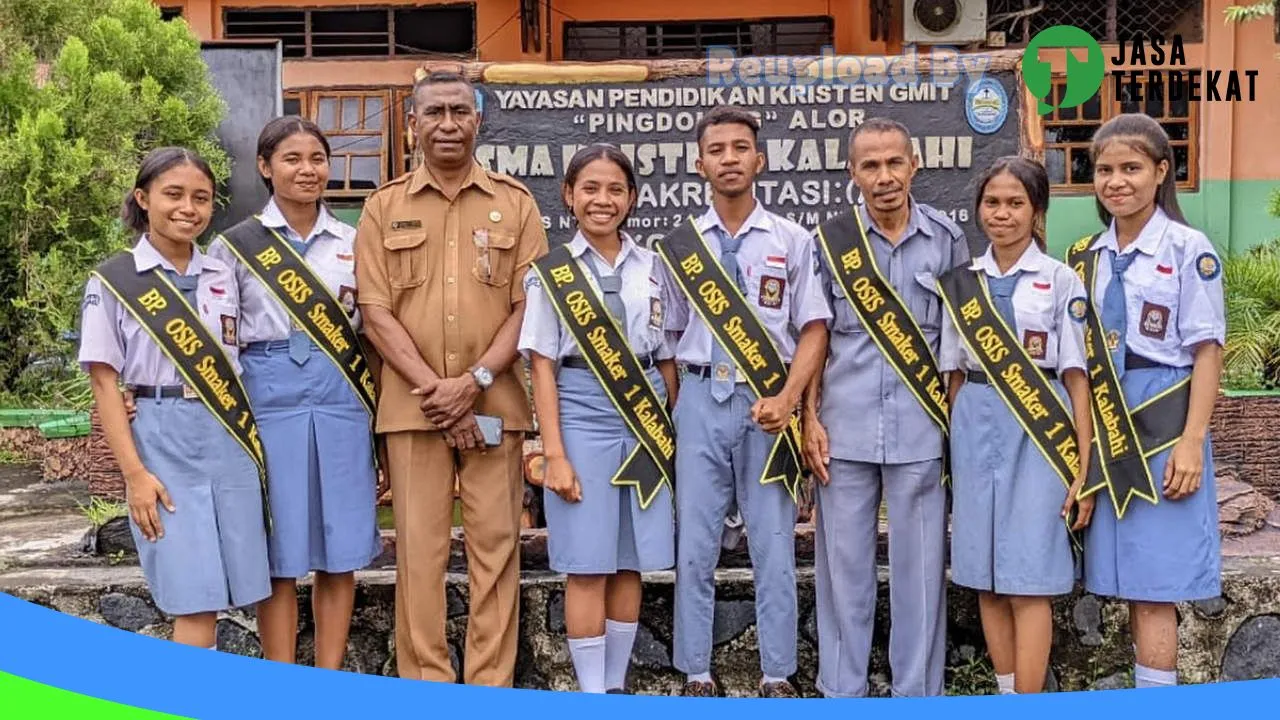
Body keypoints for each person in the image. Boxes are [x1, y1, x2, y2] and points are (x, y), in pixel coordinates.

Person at [354, 70, 549, 686]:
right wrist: (440, 393)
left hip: (497, 404)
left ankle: (490, 687)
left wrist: (476, 379)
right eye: (433, 112)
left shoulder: (515, 203)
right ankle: (429, 687)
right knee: (420, 555)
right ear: (412, 124)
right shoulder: (383, 206)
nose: (447, 123)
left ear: (478, 121)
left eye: (459, 112)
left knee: (497, 553)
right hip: (415, 412)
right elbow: (375, 310)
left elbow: (530, 306)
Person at [661, 105, 831, 698]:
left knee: (773, 546)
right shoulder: (680, 246)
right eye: (717, 149)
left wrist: (790, 400)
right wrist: (689, 405)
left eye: (740, 148)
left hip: (769, 404)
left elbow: (813, 328)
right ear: (699, 162)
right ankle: (696, 671)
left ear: (759, 159)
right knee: (696, 545)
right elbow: (670, 337)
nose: (729, 158)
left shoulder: (792, 239)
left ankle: (777, 672)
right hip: (702, 398)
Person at [205, 116, 381, 669]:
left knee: (340, 545)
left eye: (317, 159)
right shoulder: (234, 246)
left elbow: (371, 331)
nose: (307, 170)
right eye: (292, 159)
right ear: (265, 167)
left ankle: (327, 678)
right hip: (266, 392)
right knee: (277, 551)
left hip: (341, 394)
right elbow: (217, 339)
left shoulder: (356, 242)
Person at [804, 117, 969, 698]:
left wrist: (955, 429)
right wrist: (809, 419)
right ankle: (841, 694)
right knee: (843, 574)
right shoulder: (828, 242)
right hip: (843, 431)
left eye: (894, 162)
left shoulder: (947, 240)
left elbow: (957, 343)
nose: (884, 176)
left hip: (921, 431)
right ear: (853, 173)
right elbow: (814, 337)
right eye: (869, 165)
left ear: (914, 165)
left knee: (920, 575)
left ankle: (916, 696)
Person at [79, 147, 270, 648]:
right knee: (192, 592)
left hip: (227, 438)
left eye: (201, 198)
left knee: (239, 582)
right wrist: (134, 476)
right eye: (174, 194)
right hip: (160, 441)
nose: (189, 207)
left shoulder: (223, 274)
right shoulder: (115, 281)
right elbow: (104, 382)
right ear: (143, 199)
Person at [518, 144, 678, 694]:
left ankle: (615, 687)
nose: (602, 200)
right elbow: (541, 367)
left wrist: (666, 427)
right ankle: (590, 692)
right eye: (590, 189)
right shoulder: (550, 275)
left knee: (631, 560)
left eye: (615, 190)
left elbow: (666, 355)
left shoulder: (655, 267)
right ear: (569, 195)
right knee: (587, 562)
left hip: (644, 413)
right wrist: (553, 453)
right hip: (581, 410)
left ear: (632, 198)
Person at [1072, 113, 1224, 689]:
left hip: (1164, 416)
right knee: (1126, 578)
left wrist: (1191, 443)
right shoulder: (1085, 255)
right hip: (1109, 419)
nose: (1116, 181)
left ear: (1162, 171)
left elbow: (1207, 351)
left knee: (1158, 583)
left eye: (1131, 168)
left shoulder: (1189, 248)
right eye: (1104, 169)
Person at [937, 156, 1096, 695]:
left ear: (1037, 211)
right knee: (985, 577)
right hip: (976, 420)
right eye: (992, 203)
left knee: (1028, 579)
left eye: (1015, 203)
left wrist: (1084, 470)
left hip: (1041, 432)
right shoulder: (961, 284)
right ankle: (1006, 695)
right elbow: (953, 375)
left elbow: (1078, 379)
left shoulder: (1060, 280)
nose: (1001, 214)